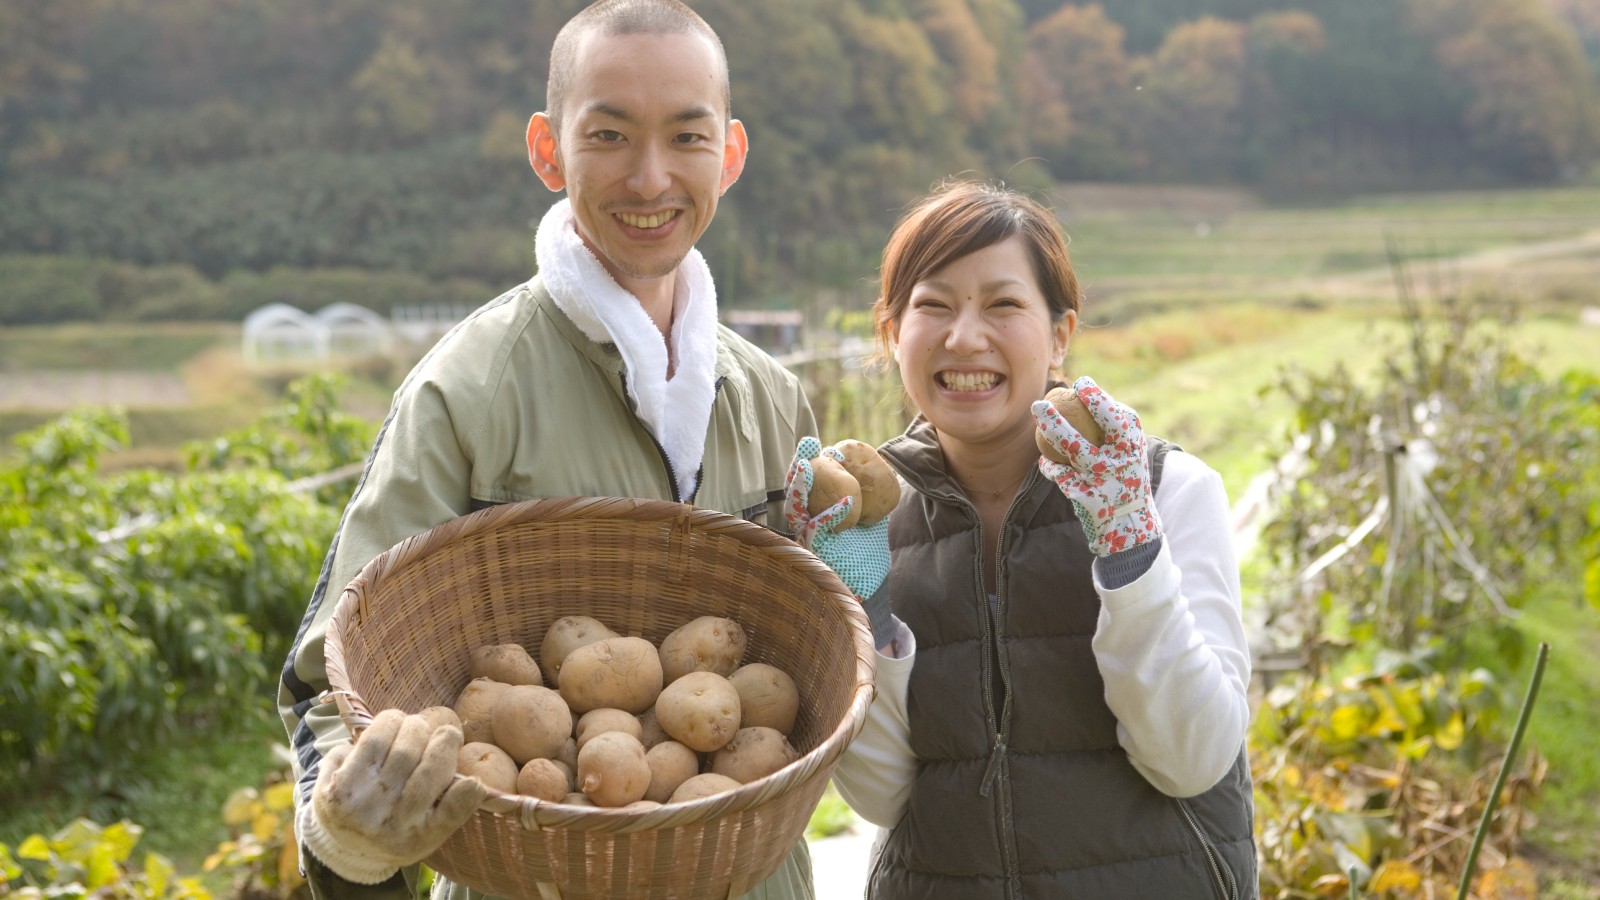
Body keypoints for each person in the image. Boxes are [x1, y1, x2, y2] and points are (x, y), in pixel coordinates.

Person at [276, 2, 819, 898]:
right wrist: (353, 844)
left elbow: (807, 647)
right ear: (547, 149)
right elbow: (330, 678)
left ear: (728, 153)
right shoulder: (468, 390)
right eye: (608, 134)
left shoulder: (771, 395)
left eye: (687, 137)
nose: (650, 178)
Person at [787, 180, 1258, 898]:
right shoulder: (872, 521)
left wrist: (1129, 547)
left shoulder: (1167, 491)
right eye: (933, 306)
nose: (964, 337)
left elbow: (1192, 759)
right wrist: (861, 602)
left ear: (1061, 333)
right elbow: (883, 799)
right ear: (890, 331)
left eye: (1003, 305)